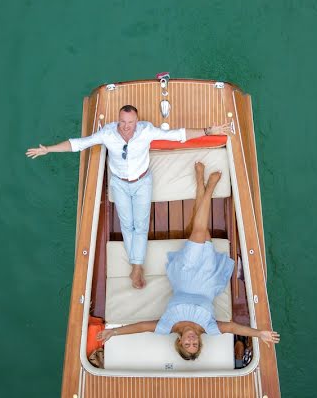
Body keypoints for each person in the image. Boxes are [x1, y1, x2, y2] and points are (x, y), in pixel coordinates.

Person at [26, 105, 230, 289]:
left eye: (130, 122)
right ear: (118, 120)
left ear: (137, 121)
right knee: (126, 224)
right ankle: (137, 265)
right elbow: (79, 144)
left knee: (140, 226)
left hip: (142, 182)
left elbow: (178, 134)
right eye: (122, 122)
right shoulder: (108, 133)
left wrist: (208, 131)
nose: (126, 126)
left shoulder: (146, 130)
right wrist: (48, 150)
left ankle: (137, 267)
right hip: (119, 183)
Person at [95, 162, 280, 360]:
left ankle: (208, 187)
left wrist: (114, 332)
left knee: (199, 232)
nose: (191, 340)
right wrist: (259, 334)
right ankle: (201, 184)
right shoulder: (208, 327)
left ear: (180, 342)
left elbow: (141, 327)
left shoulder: (168, 326)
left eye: (187, 344)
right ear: (199, 342)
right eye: (195, 344)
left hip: (184, 276)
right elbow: (233, 327)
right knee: (201, 232)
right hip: (208, 279)